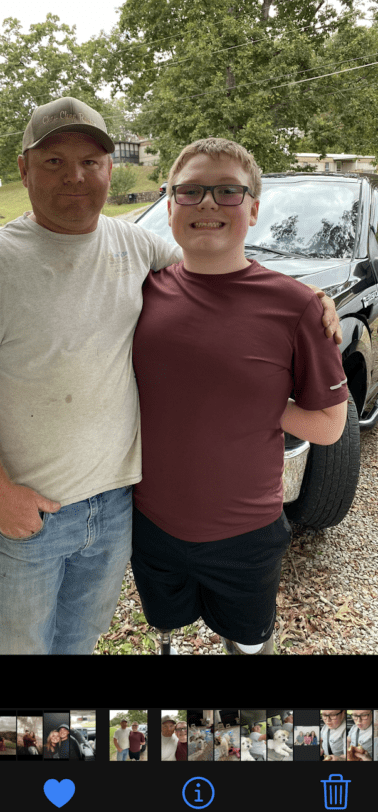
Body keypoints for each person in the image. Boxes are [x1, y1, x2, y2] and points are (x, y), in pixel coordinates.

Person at [0, 97, 342, 656]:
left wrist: (309, 296)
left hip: (119, 506)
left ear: (109, 169)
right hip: (29, 510)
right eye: (53, 161)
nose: (75, 175)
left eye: (91, 161)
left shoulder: (135, 244)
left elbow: (217, 257)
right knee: (16, 650)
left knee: (79, 641)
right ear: (23, 169)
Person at [130, 137, 349, 655]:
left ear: (253, 207)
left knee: (249, 645)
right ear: (169, 206)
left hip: (245, 535)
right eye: (191, 192)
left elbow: (330, 426)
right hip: (149, 523)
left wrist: (257, 398)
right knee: (166, 630)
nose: (207, 204)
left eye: (228, 191)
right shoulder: (138, 289)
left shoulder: (297, 308)